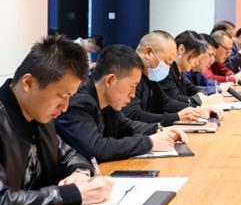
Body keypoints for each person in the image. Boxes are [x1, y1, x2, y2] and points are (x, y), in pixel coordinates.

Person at [0, 35, 112, 205]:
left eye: (70, 97)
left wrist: (80, 172)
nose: (65, 107)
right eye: (61, 96)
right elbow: (3, 203)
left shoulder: (39, 114)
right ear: (28, 83)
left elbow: (69, 154)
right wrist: (72, 195)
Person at [56, 45, 189, 162]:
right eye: (132, 86)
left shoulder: (107, 101)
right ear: (110, 80)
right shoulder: (78, 101)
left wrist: (159, 130)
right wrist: (149, 143)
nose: (133, 94)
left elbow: (126, 126)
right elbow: (96, 148)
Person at [122, 31, 205, 126]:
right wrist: (176, 117)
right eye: (166, 62)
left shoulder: (149, 74)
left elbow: (165, 102)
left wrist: (195, 110)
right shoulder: (127, 72)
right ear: (148, 52)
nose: (168, 68)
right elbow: (133, 115)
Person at [159, 30, 207, 105]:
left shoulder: (179, 71)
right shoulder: (167, 70)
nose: (197, 63)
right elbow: (175, 99)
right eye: (196, 56)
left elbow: (194, 89)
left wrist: (201, 95)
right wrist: (198, 99)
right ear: (181, 49)